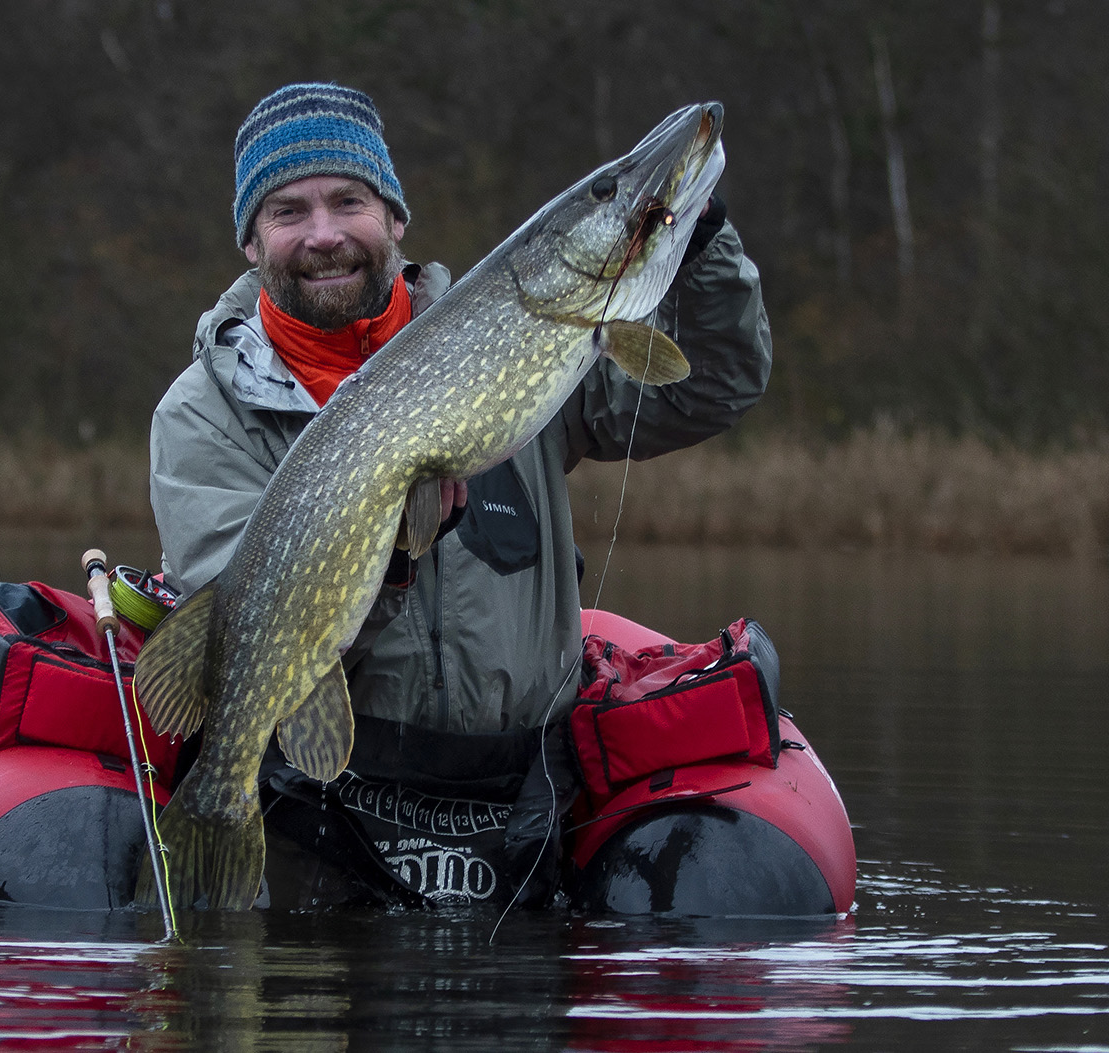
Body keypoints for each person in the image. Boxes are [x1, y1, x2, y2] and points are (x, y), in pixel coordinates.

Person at [149, 83, 772, 909]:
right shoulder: (203, 413)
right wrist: (399, 567)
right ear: (250, 240)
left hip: (519, 803)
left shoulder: (543, 338)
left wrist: (703, 243)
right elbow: (243, 617)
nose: (325, 234)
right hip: (325, 813)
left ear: (395, 217)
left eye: (349, 201)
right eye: (289, 210)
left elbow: (717, 387)